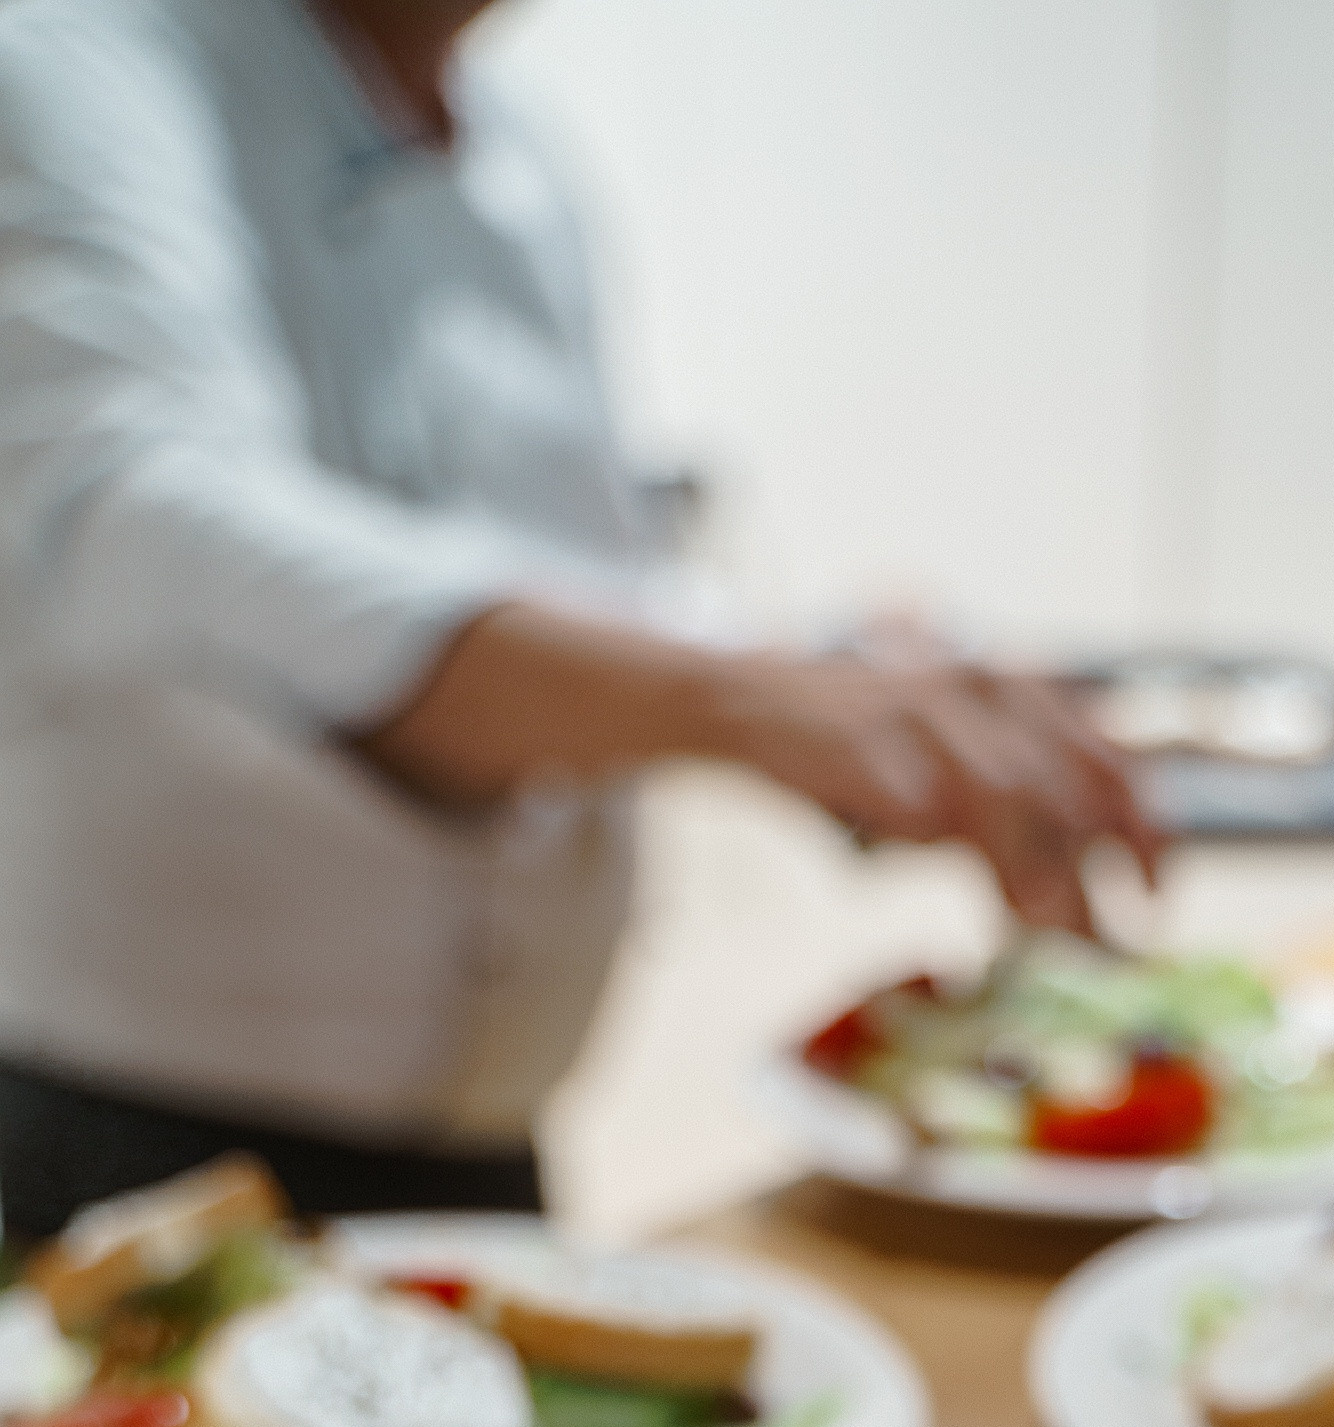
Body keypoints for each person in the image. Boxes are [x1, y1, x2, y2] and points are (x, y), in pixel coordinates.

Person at [0, 0, 1157, 1236]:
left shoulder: (522, 153)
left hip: (484, 1133)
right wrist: (751, 696)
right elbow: (143, 512)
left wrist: (841, 674)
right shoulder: (79, 49)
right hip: (133, 1140)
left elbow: (580, 582)